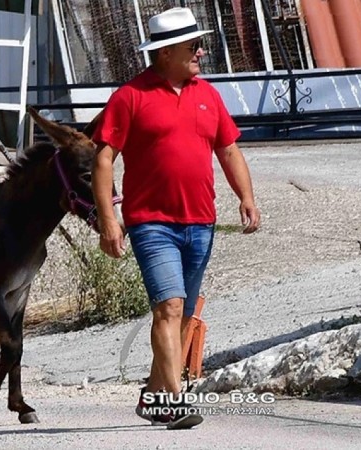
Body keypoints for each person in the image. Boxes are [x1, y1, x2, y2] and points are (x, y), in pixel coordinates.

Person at [91, 7, 261, 430]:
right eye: (193, 45)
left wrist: (247, 196)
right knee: (168, 307)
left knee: (181, 315)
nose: (201, 51)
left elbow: (228, 150)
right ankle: (174, 401)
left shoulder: (208, 94)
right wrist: (109, 219)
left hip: (200, 223)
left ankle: (152, 396)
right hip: (151, 223)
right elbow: (103, 158)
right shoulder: (130, 96)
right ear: (165, 52)